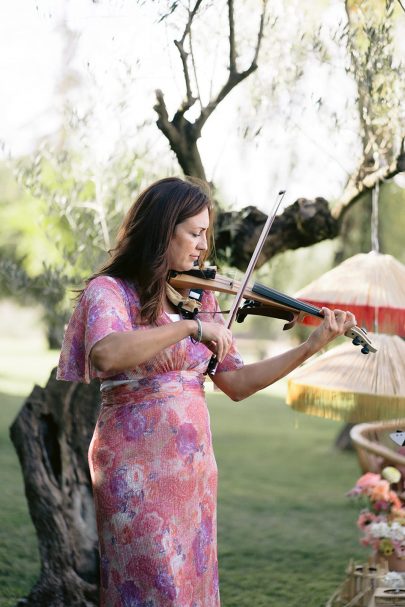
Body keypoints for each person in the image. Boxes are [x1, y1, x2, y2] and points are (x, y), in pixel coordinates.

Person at [57, 176, 356, 607]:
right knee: (151, 587)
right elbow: (106, 354)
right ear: (163, 229)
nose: (203, 246)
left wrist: (311, 346)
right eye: (194, 233)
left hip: (193, 469)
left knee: (189, 589)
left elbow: (235, 382)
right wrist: (191, 327)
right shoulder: (111, 292)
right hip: (133, 467)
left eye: (206, 235)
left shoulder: (198, 297)